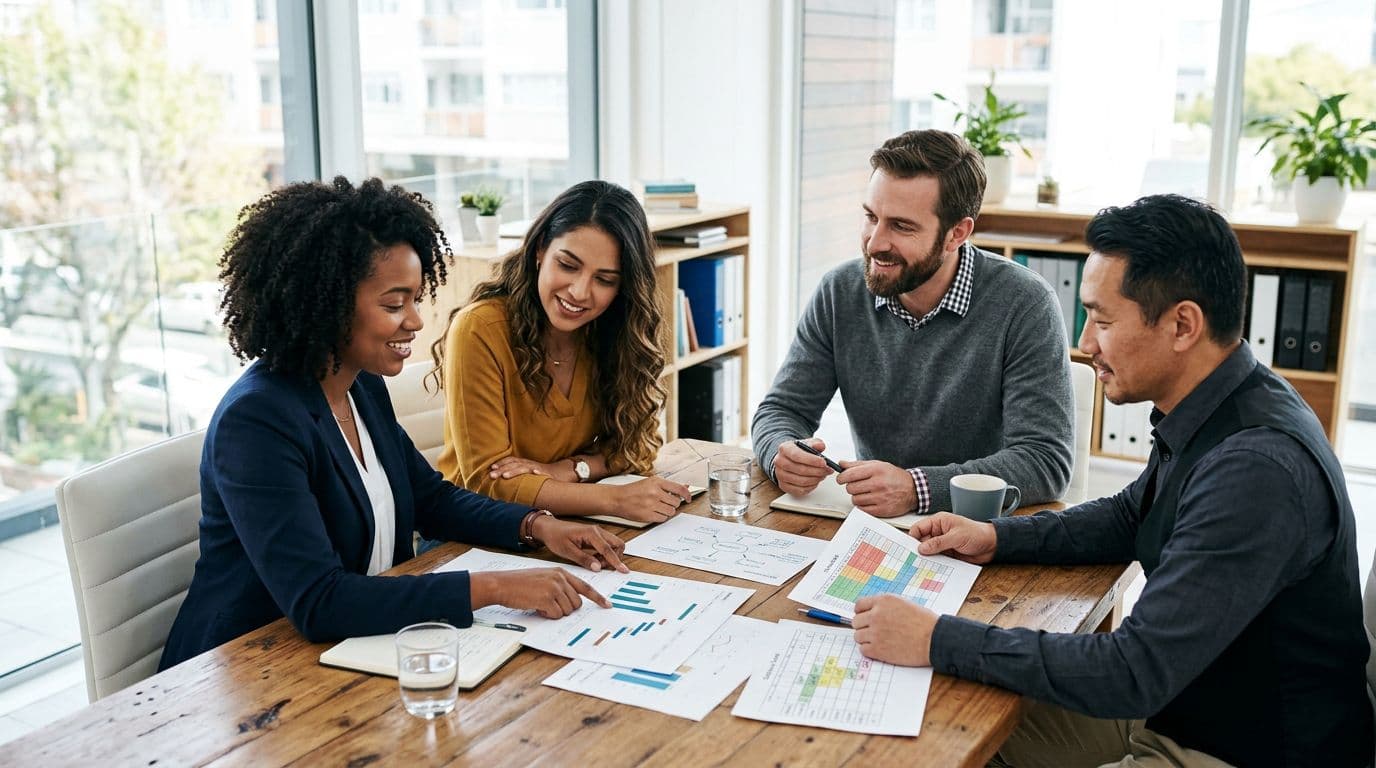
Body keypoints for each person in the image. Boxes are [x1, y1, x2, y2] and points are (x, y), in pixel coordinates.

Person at [853, 194, 1373, 767]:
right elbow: (1132, 514)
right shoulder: (1222, 401)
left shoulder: (1254, 468)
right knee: (944, 728)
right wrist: (998, 538)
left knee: (956, 715)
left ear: (1182, 325)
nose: (1085, 343)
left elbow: (1132, 670)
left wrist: (936, 637)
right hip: (1189, 701)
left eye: (1102, 319)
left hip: (1242, 750)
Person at [160, 177, 629, 671]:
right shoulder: (257, 420)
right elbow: (320, 600)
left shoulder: (359, 384)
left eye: (415, 299)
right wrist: (494, 587)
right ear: (326, 304)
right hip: (243, 671)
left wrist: (539, 526)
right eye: (393, 304)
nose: (415, 321)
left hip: (346, 652)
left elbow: (432, 498)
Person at [752, 129, 1073, 518]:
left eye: (901, 226)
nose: (874, 242)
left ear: (957, 233)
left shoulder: (1025, 303)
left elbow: (1044, 461)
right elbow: (780, 410)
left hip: (981, 535)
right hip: (875, 528)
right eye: (871, 217)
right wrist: (779, 452)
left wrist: (916, 489)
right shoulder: (840, 291)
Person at [431, 180, 690, 523]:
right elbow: (488, 484)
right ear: (540, 250)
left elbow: (639, 445)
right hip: (476, 531)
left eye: (605, 279)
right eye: (568, 265)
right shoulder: (480, 329)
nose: (580, 292)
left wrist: (567, 470)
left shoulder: (608, 331)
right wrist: (612, 499)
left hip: (566, 521)